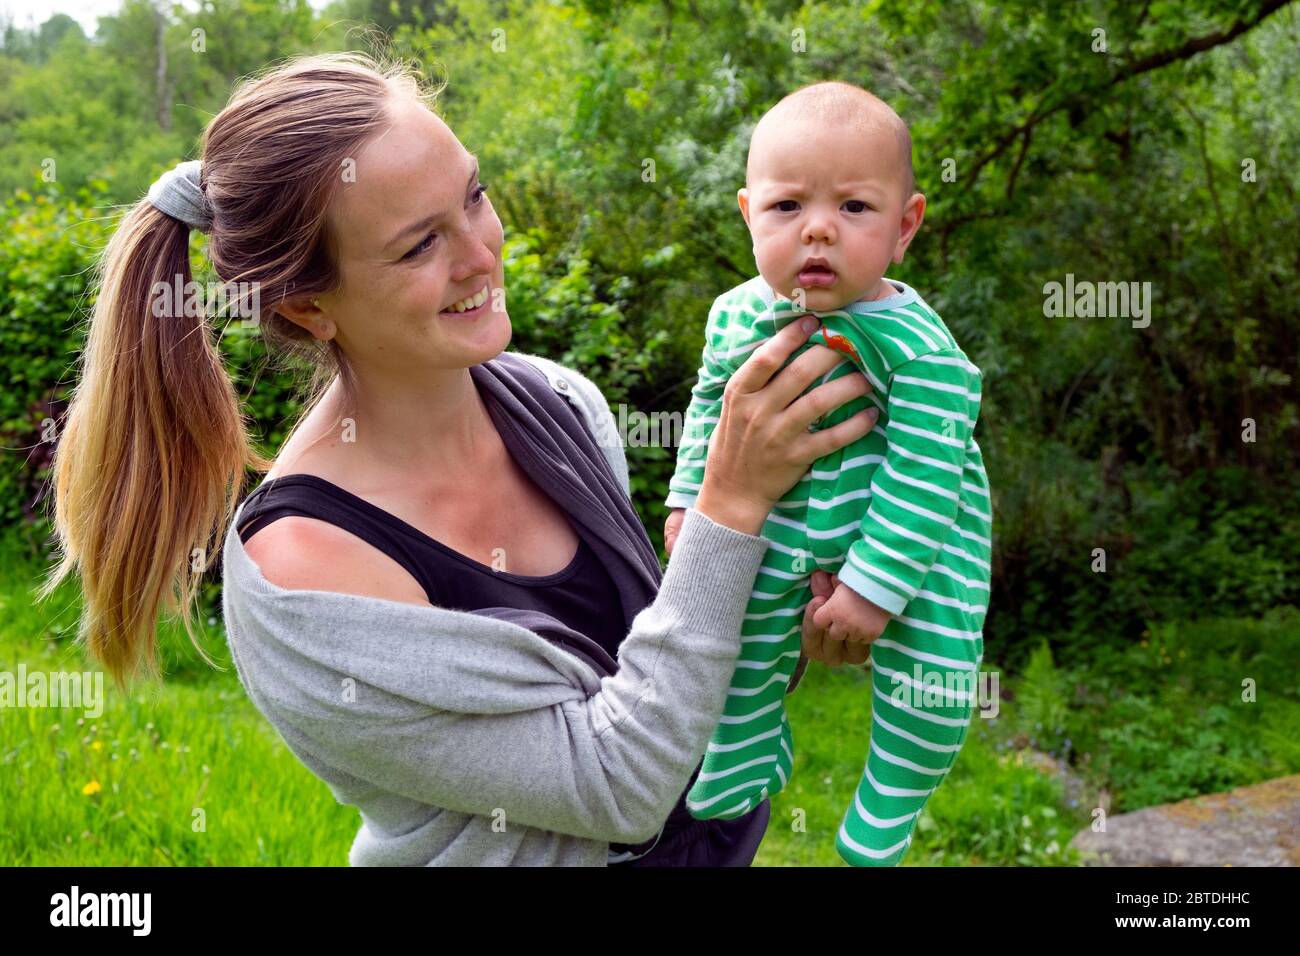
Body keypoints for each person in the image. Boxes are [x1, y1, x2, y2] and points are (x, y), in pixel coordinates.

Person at [41, 53, 878, 866]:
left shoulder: (562, 406)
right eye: (417, 247)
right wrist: (730, 506)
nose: (480, 253)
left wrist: (794, 617)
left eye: (473, 196)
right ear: (309, 308)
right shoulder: (305, 573)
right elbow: (621, 788)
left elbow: (672, 684)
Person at [663, 81, 992, 866]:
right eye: (785, 209)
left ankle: (892, 797)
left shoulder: (918, 344)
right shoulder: (736, 316)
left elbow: (927, 467)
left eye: (853, 208)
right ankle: (742, 747)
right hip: (781, 514)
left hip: (913, 534)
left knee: (940, 675)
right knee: (735, 636)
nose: (816, 229)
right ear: (748, 215)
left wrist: (875, 589)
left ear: (905, 227)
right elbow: (711, 405)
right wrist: (687, 502)